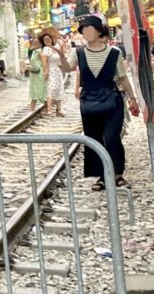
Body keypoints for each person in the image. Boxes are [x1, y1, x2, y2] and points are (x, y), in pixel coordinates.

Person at [57, 13, 139, 191]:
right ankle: (102, 176)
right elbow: (68, 68)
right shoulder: (78, 53)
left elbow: (122, 78)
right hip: (89, 103)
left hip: (112, 101)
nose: (86, 32)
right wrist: (62, 56)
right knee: (95, 140)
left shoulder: (114, 53)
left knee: (112, 138)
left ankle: (117, 174)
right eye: (83, 30)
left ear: (99, 31)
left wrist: (133, 98)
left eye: (89, 29)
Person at [39, 29, 66, 117]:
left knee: (59, 88)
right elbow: (44, 61)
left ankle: (59, 109)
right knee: (51, 88)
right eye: (45, 40)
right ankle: (49, 109)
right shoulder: (46, 49)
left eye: (48, 39)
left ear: (51, 39)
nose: (47, 41)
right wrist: (45, 71)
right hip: (50, 70)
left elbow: (62, 57)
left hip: (57, 70)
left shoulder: (56, 47)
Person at [28, 39, 46, 111]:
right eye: (34, 42)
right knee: (34, 90)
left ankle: (47, 107)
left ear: (40, 44)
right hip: (33, 74)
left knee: (39, 90)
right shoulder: (33, 52)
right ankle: (32, 109)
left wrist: (45, 73)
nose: (34, 44)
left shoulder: (40, 52)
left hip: (39, 74)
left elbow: (44, 63)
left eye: (36, 42)